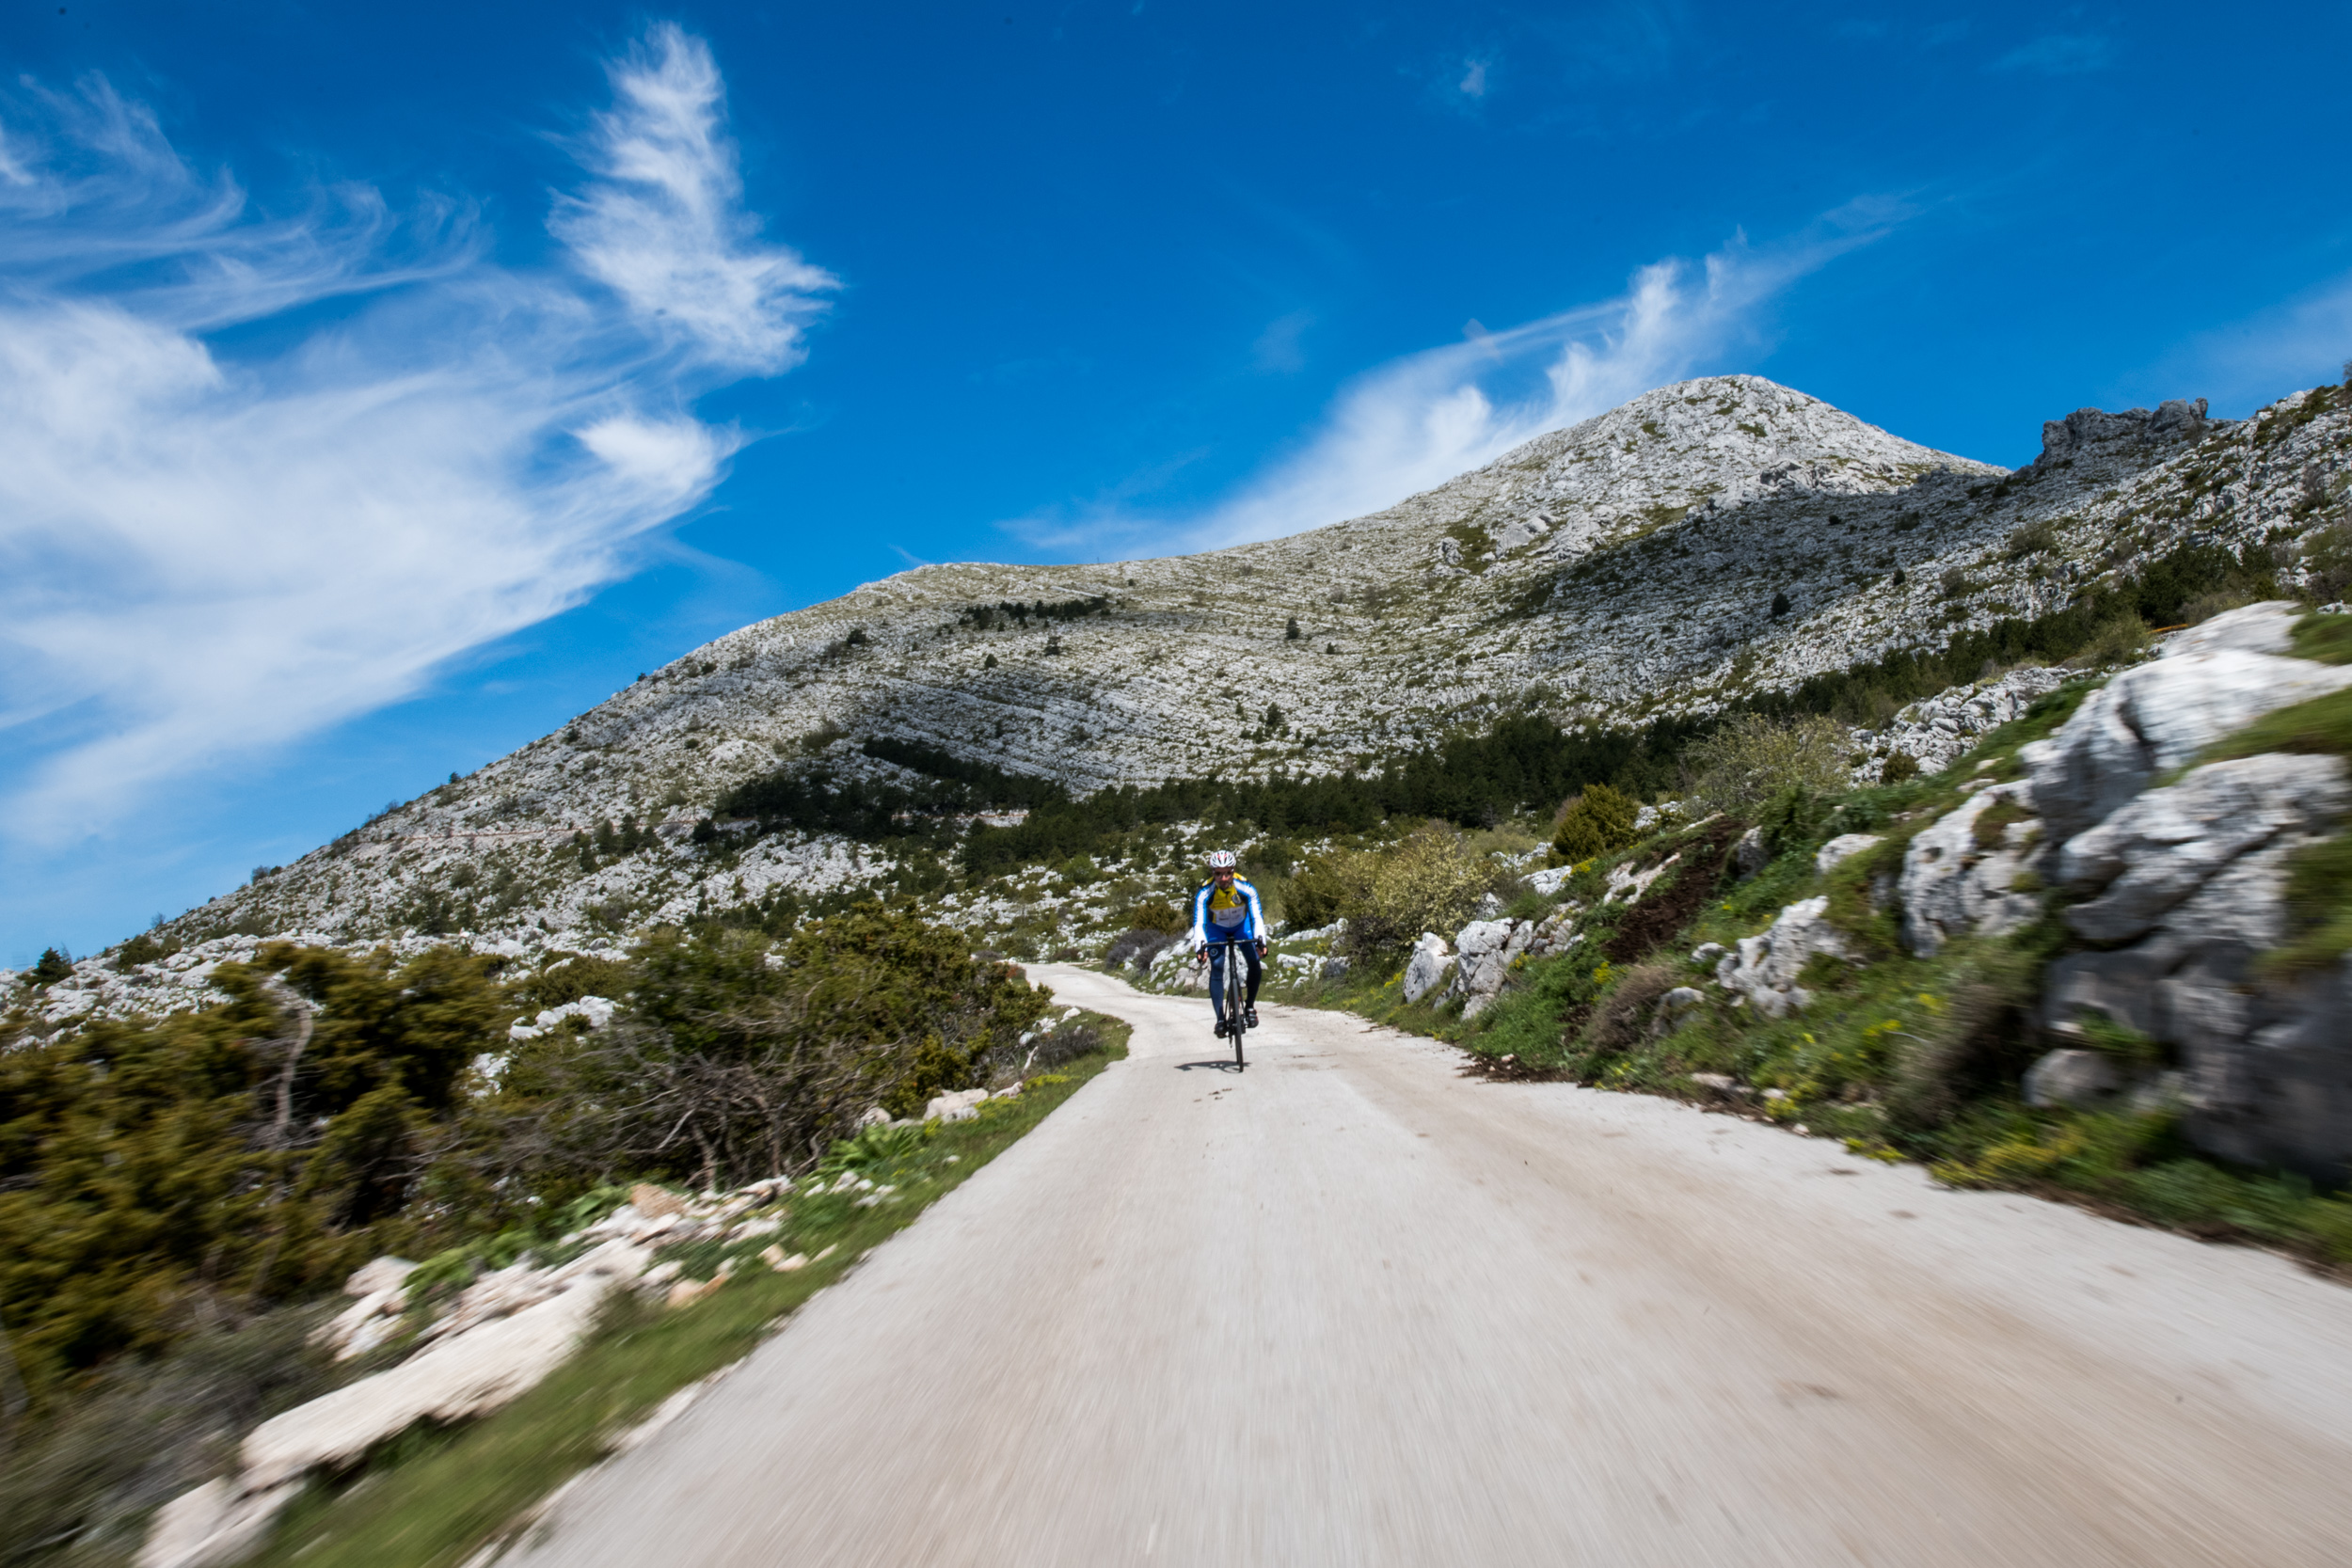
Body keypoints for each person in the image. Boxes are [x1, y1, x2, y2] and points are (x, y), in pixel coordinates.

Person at [1188, 849, 1265, 1036]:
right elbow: (1199, 922)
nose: (1223, 878)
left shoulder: (1245, 886)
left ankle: (1249, 1007)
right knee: (1217, 965)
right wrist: (1200, 947)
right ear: (1212, 873)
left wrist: (1261, 941)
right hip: (1217, 930)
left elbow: (1256, 915)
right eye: (1218, 874)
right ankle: (1220, 1019)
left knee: (1254, 962)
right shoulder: (1204, 892)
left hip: (1241, 926)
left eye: (1227, 873)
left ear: (1233, 871)